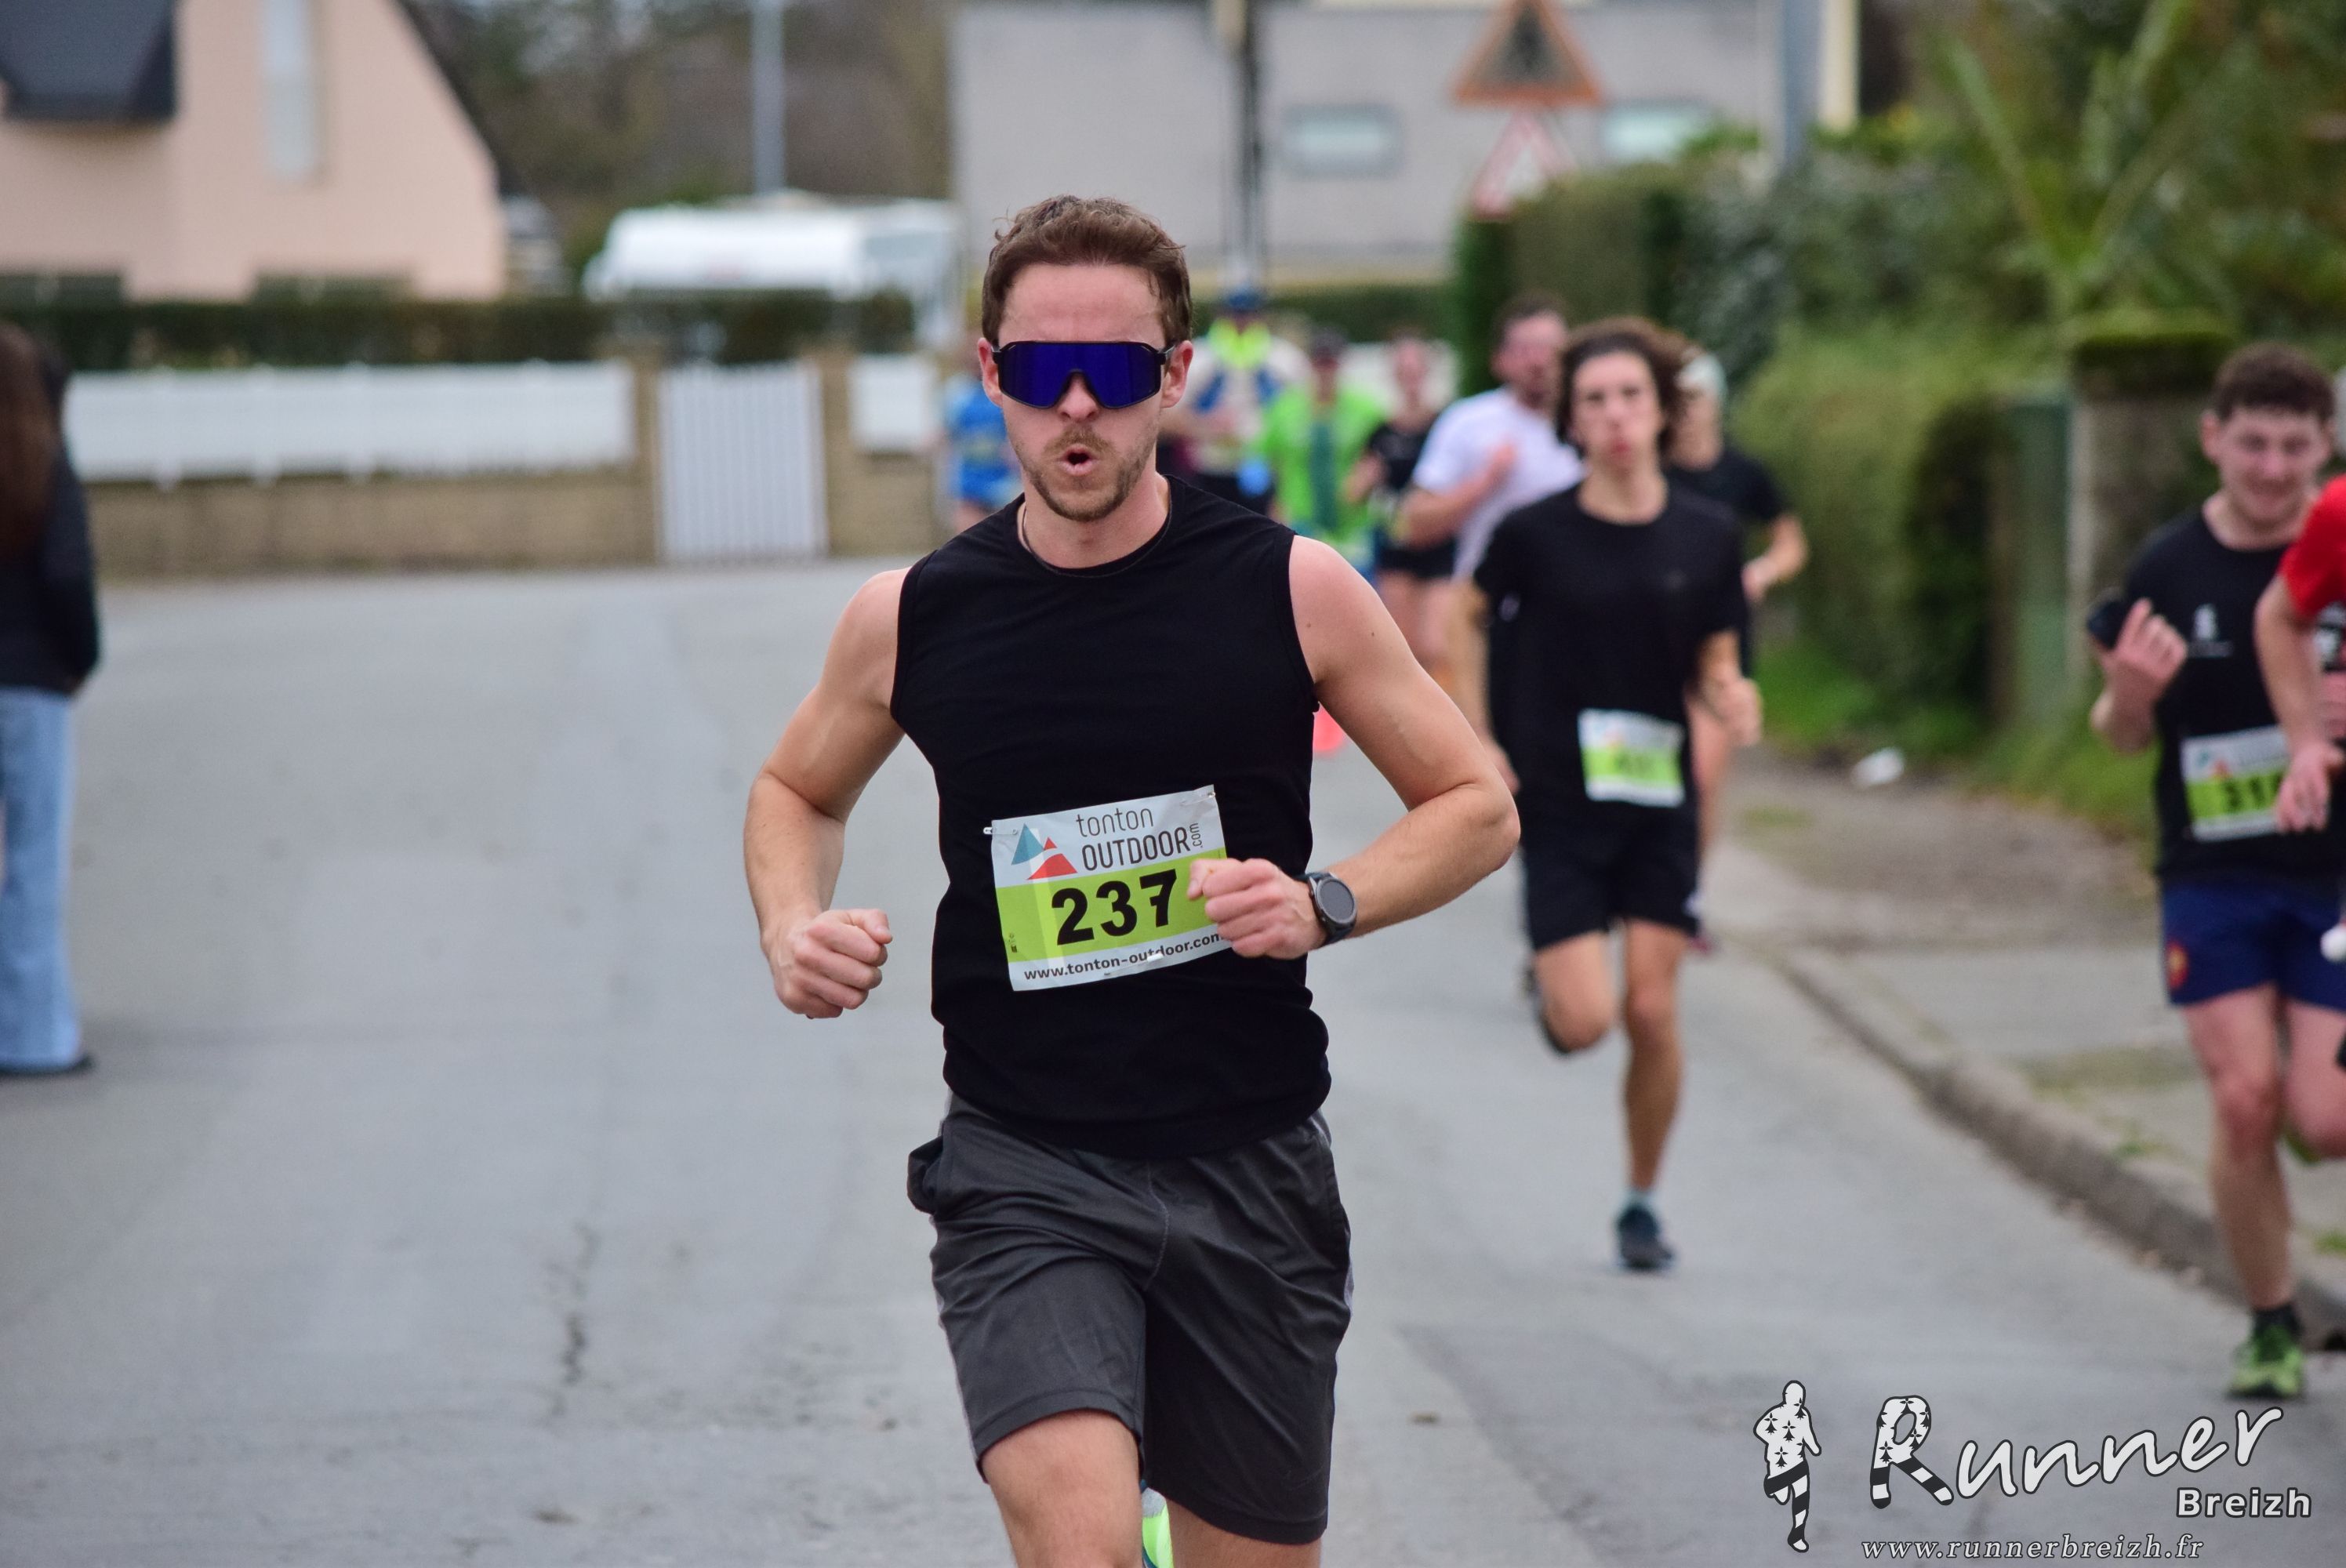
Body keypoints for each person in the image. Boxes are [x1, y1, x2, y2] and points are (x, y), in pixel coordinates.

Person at [743, 194, 1517, 1567]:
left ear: (1175, 375)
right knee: (1082, 1545)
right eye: (1043, 371)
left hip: (1249, 1161)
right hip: (1025, 1162)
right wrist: (791, 922)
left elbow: (1475, 804)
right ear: (992, 375)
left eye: (1114, 368)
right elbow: (797, 790)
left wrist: (1324, 902)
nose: (1078, 406)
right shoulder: (913, 616)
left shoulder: (1292, 588)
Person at [1450, 318, 1760, 1272]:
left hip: (1657, 798)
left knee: (1653, 1011)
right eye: (1594, 400)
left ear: (1662, 410)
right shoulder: (1532, 535)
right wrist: (1476, 736)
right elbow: (1463, 615)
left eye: (1631, 396)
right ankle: (1555, 998)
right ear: (1571, 421)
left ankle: (1640, 1201)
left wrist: (1732, 693)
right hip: (1556, 798)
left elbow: (1717, 654)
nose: (1616, 415)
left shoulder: (1707, 535)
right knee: (1587, 1022)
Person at [2086, 343, 2346, 1401]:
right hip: (2213, 874)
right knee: (2244, 1101)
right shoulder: (2167, 568)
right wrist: (2131, 697)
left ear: (2326, 446)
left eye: (2294, 446)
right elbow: (2117, 736)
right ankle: (2273, 1321)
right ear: (2212, 440)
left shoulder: (2338, 550)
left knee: (2324, 1119)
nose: (2272, 468)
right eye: (2252, 444)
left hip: (2331, 875)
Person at [0, 324, 100, 1077]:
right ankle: (33, 1037)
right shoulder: (41, 464)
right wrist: (80, 658)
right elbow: (67, 576)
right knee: (34, 861)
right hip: (32, 686)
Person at [1669, 350, 1806, 861]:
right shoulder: (1650, 473)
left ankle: (1689, 891)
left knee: (1701, 779)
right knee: (1657, 783)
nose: (1687, 411)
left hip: (1721, 640)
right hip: (1655, 636)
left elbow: (1791, 543)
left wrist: (1760, 572)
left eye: (1697, 399)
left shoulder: (1744, 473)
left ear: (1717, 404)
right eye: (1678, 400)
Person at [1393, 293, 1583, 586]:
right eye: (1524, 349)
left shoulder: (1595, 421)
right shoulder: (1468, 421)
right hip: (1489, 600)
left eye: (1549, 347)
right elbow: (1413, 525)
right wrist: (1484, 481)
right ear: (1499, 360)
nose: (1538, 361)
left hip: (1581, 597)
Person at [1164, 283, 1307, 514]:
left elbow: (1304, 411)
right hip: (1211, 469)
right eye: (1235, 315)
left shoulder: (1285, 359)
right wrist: (1207, 427)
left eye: (1249, 315)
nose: (1242, 322)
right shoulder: (1201, 358)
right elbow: (1167, 414)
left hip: (1268, 469)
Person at [1251, 328, 1386, 570]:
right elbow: (1268, 456)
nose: (1325, 371)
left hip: (1350, 523)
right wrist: (1275, 501)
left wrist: (1368, 475)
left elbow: (1381, 453)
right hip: (1300, 517)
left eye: (1331, 363)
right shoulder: (1284, 408)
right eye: (1319, 363)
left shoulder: (1367, 410)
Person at [1363, 332, 1450, 670]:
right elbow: (1354, 490)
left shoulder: (1445, 426)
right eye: (1404, 372)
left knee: (1436, 645)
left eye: (1416, 371)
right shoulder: (1381, 432)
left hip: (1439, 541)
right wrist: (1367, 479)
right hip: (1396, 543)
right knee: (1404, 647)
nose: (1411, 379)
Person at [942, 334, 1023, 532]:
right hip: (968, 483)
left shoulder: (1004, 388)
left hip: (1002, 481)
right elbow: (945, 432)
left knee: (1002, 538)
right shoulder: (956, 392)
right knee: (967, 540)